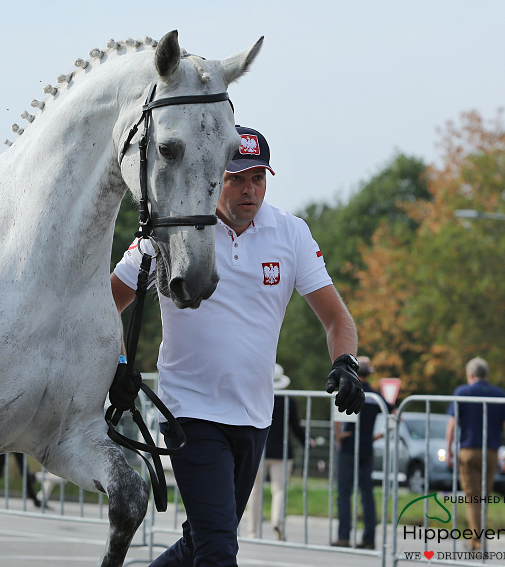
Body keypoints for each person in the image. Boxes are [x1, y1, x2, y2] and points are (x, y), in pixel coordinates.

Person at [109, 126, 365, 567]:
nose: (250, 190)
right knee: (218, 550)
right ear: (214, 177)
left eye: (258, 178)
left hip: (253, 415)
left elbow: (336, 317)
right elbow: (106, 303)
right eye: (237, 178)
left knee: (201, 542)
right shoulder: (172, 229)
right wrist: (119, 362)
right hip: (189, 412)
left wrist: (346, 362)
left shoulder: (291, 233)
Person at [445, 357, 505, 551]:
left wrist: (448, 450)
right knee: (483, 498)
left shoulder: (463, 392)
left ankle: (477, 542)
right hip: (491, 452)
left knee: (472, 499)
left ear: (471, 375)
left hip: (468, 451)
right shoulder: (499, 394)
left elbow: (452, 424)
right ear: (486, 375)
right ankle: (476, 539)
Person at [246, 365, 315, 540]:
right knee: (279, 491)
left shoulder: (258, 398)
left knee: (254, 491)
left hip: (259, 449)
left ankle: (253, 530)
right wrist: (306, 441)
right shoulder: (288, 401)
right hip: (283, 452)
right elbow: (296, 427)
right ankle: (278, 523)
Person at [332, 356, 391, 550]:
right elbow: (396, 414)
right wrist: (378, 436)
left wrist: (339, 435)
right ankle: (369, 538)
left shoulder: (350, 390)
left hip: (349, 447)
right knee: (367, 495)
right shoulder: (376, 397)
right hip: (367, 448)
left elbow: (338, 416)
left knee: (344, 493)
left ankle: (343, 537)